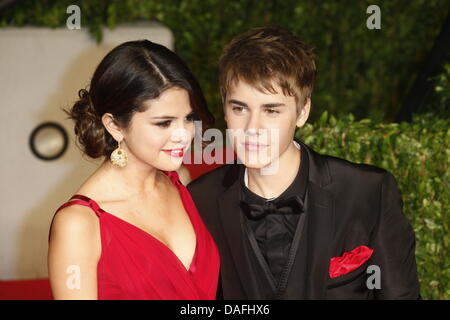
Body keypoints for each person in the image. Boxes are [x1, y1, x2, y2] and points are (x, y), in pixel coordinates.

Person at [187, 27, 420, 299]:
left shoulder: (368, 192)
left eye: (271, 110)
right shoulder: (200, 200)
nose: (252, 127)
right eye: (240, 108)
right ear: (225, 107)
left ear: (303, 111)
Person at [48, 40, 220, 300]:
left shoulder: (179, 181)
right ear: (115, 126)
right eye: (163, 123)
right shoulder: (78, 225)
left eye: (189, 118)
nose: (183, 135)